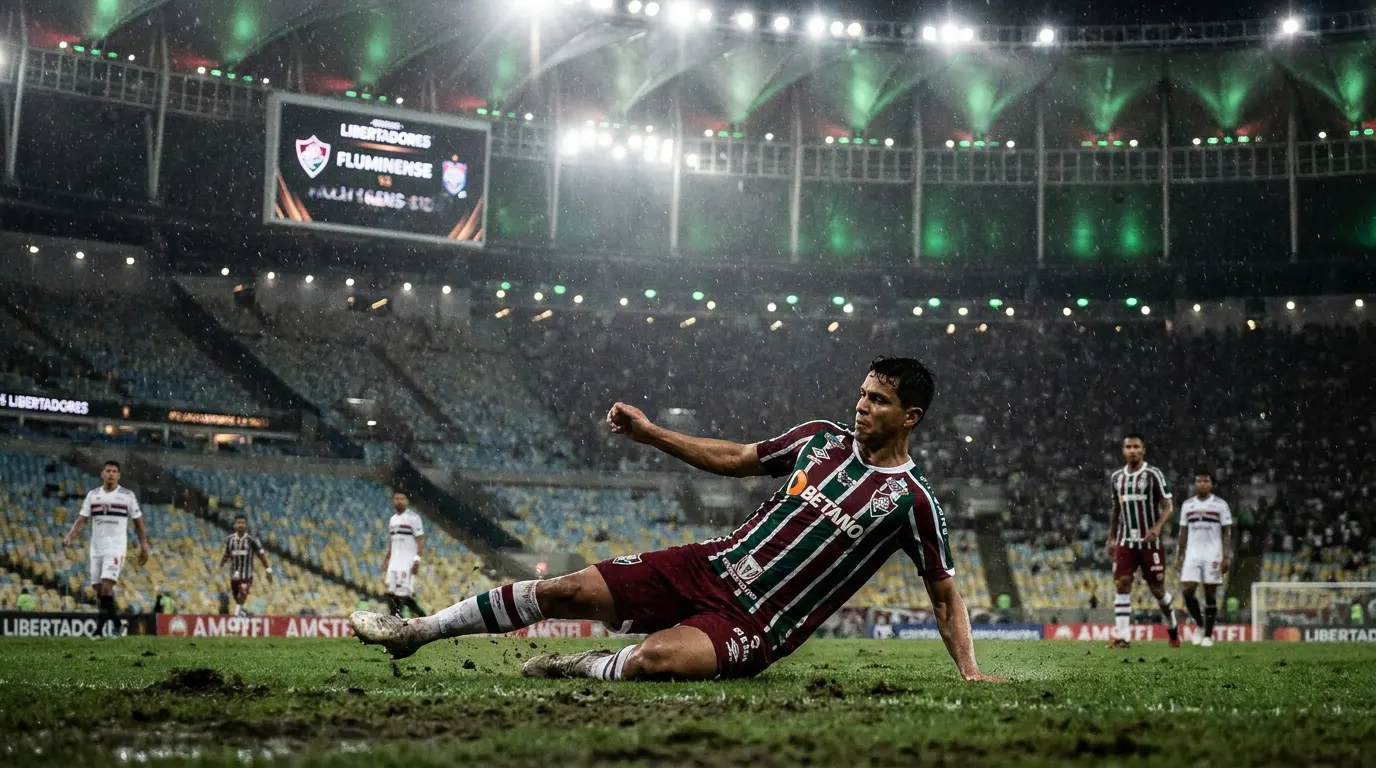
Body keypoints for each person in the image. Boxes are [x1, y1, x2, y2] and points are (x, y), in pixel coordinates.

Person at [351, 357, 1005, 683]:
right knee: (564, 590)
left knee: (658, 661)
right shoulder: (819, 441)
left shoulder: (911, 502)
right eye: (862, 393)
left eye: (879, 400)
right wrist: (651, 434)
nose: (861, 405)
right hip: (706, 564)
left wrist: (970, 673)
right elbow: (735, 457)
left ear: (910, 416)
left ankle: (585, 664)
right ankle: (416, 631)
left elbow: (944, 595)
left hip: (757, 623)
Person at [1105, 435, 1179, 649]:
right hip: (1125, 541)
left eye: (1136, 447)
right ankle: (1123, 637)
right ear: (1123, 450)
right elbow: (1116, 509)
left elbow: (1168, 506)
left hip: (1149, 544)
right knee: (1122, 583)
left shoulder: (1152, 474)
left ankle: (1172, 626)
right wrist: (1111, 536)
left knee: (1157, 591)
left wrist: (1157, 527)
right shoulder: (1117, 478)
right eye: (1128, 447)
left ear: (1143, 450)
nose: (1132, 451)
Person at [62, 461, 149, 639]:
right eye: (108, 471)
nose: (111, 474)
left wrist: (144, 545)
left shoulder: (127, 496)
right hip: (96, 547)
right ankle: (117, 624)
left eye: (114, 471)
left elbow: (138, 522)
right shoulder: (93, 495)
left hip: (116, 547)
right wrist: (71, 535)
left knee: (107, 588)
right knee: (99, 589)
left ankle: (99, 630)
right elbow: (82, 518)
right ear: (102, 474)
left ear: (119, 475)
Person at [1174, 471, 1232, 647]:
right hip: (1192, 554)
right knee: (1187, 591)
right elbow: (1183, 532)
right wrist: (1179, 555)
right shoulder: (1187, 505)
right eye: (1199, 481)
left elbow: (1227, 531)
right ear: (1195, 483)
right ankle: (1199, 624)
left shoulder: (1220, 505)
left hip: (1213, 554)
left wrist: (1226, 555)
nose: (1202, 484)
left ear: (1211, 484)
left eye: (1206, 481)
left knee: (1210, 594)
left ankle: (1207, 635)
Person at [383, 490, 427, 618]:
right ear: (393, 501)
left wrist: (417, 558)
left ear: (407, 501)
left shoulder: (413, 518)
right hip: (394, 562)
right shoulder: (392, 520)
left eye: (402, 499)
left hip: (406, 562)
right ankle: (413, 616)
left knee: (402, 594)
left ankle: (399, 618)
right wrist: (387, 559)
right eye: (396, 498)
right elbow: (392, 541)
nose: (399, 501)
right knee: (391, 593)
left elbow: (420, 538)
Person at [220, 514, 272, 616]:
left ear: (246, 525)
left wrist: (268, 569)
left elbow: (261, 554)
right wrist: (221, 564)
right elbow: (227, 553)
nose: (241, 525)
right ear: (234, 525)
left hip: (247, 575)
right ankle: (241, 612)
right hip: (234, 574)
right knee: (237, 597)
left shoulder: (252, 540)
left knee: (243, 593)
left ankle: (237, 614)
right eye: (238, 523)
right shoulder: (229, 539)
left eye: (243, 523)